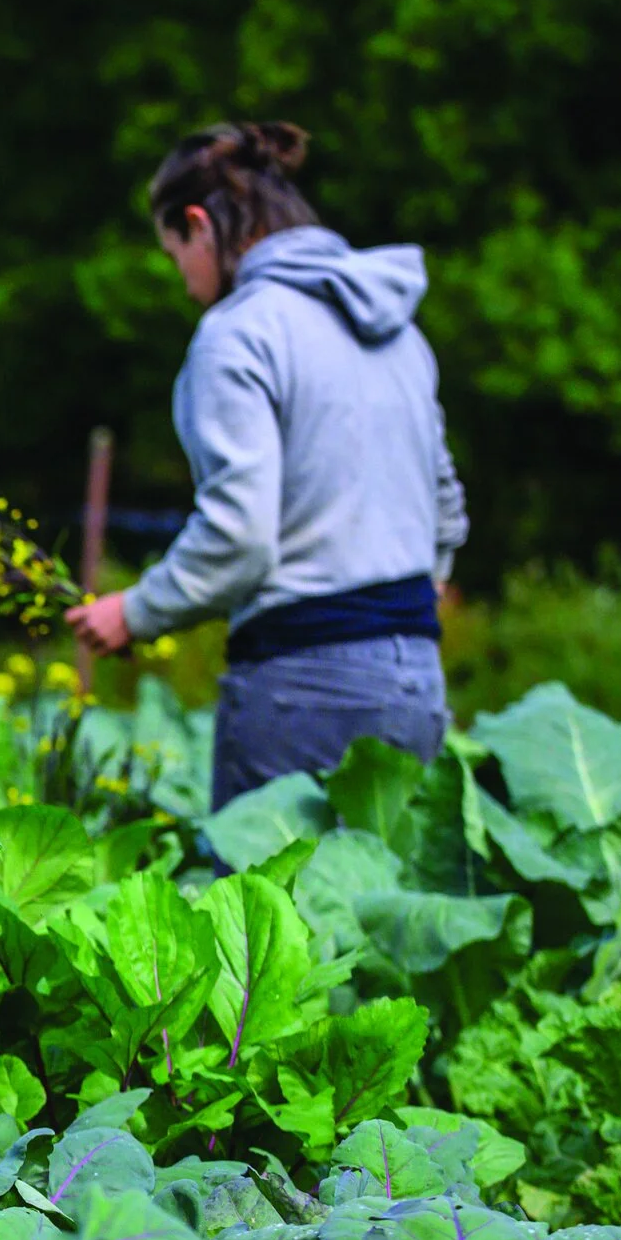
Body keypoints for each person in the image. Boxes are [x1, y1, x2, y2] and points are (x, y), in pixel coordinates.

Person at [67, 121, 469, 809]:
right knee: (388, 908)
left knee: (264, 912)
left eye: (176, 256)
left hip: (301, 689)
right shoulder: (396, 329)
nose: (189, 287)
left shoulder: (239, 334)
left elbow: (241, 534)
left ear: (199, 224)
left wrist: (136, 610)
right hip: (415, 683)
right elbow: (446, 509)